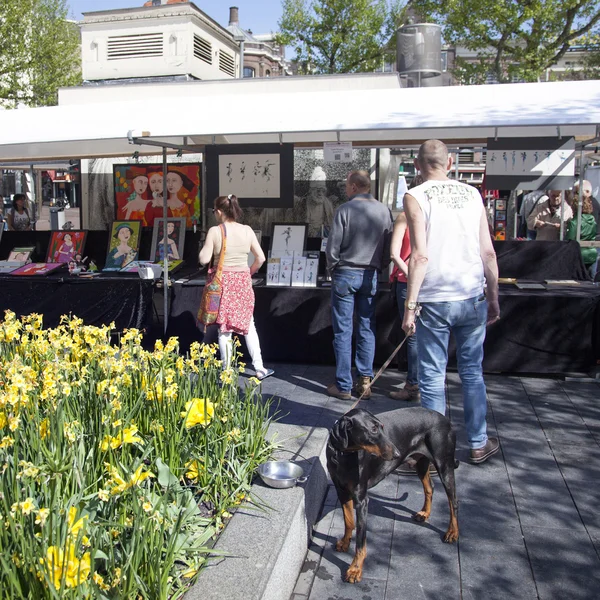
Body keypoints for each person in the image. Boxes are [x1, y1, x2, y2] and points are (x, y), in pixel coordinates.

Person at [402, 139, 501, 465]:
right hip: (471, 294)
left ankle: (433, 451)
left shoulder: (415, 195)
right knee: (472, 373)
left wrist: (410, 305)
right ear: (451, 161)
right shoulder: (472, 194)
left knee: (431, 377)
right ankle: (478, 442)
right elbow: (488, 251)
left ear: (417, 166)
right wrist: (493, 295)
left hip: (435, 298)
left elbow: (419, 255)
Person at [325, 170, 393, 400]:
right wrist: (379, 267)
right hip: (370, 274)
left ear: (354, 187)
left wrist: (333, 268)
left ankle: (344, 384)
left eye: (346, 186)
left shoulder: (344, 210)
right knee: (366, 326)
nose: (345, 190)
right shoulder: (384, 210)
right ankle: (365, 380)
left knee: (343, 330)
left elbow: (333, 246)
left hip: (345, 271)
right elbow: (388, 246)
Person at [198, 194, 274, 381]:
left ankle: (227, 369)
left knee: (224, 328)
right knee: (248, 324)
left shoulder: (215, 231)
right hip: (242, 282)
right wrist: (248, 272)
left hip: (223, 281)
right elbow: (261, 258)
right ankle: (259, 367)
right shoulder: (247, 230)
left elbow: (203, 259)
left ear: (218, 211)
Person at [388, 177, 423, 401]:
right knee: (424, 334)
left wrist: (410, 274)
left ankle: (413, 385)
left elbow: (394, 253)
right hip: (429, 281)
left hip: (406, 281)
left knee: (411, 335)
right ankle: (421, 382)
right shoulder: (432, 218)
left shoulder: (404, 217)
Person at [572, 180, 600, 279]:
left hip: (591, 244)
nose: (574, 195)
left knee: (589, 275)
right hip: (591, 244)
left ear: (587, 192)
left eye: (577, 192)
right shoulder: (591, 203)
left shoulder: (592, 205)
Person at [566, 192, 597, 275]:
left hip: (578, 255)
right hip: (592, 254)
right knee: (591, 281)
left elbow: (569, 240)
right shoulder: (593, 220)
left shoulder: (574, 222)